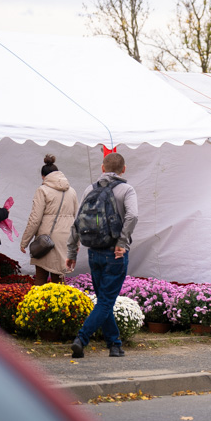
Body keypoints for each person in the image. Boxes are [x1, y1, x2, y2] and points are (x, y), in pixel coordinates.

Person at [67, 152, 137, 359]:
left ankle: (114, 344)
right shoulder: (126, 189)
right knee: (106, 301)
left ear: (102, 168)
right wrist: (122, 243)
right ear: (123, 169)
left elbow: (78, 221)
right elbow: (133, 215)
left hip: (94, 252)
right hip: (115, 253)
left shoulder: (90, 189)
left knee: (103, 300)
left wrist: (72, 250)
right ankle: (81, 338)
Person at [20, 155, 79, 285]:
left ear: (43, 176)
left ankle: (37, 304)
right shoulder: (72, 192)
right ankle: (58, 305)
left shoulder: (43, 190)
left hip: (46, 240)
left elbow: (35, 219)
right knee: (59, 279)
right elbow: (77, 220)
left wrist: (25, 241)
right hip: (66, 239)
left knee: (40, 278)